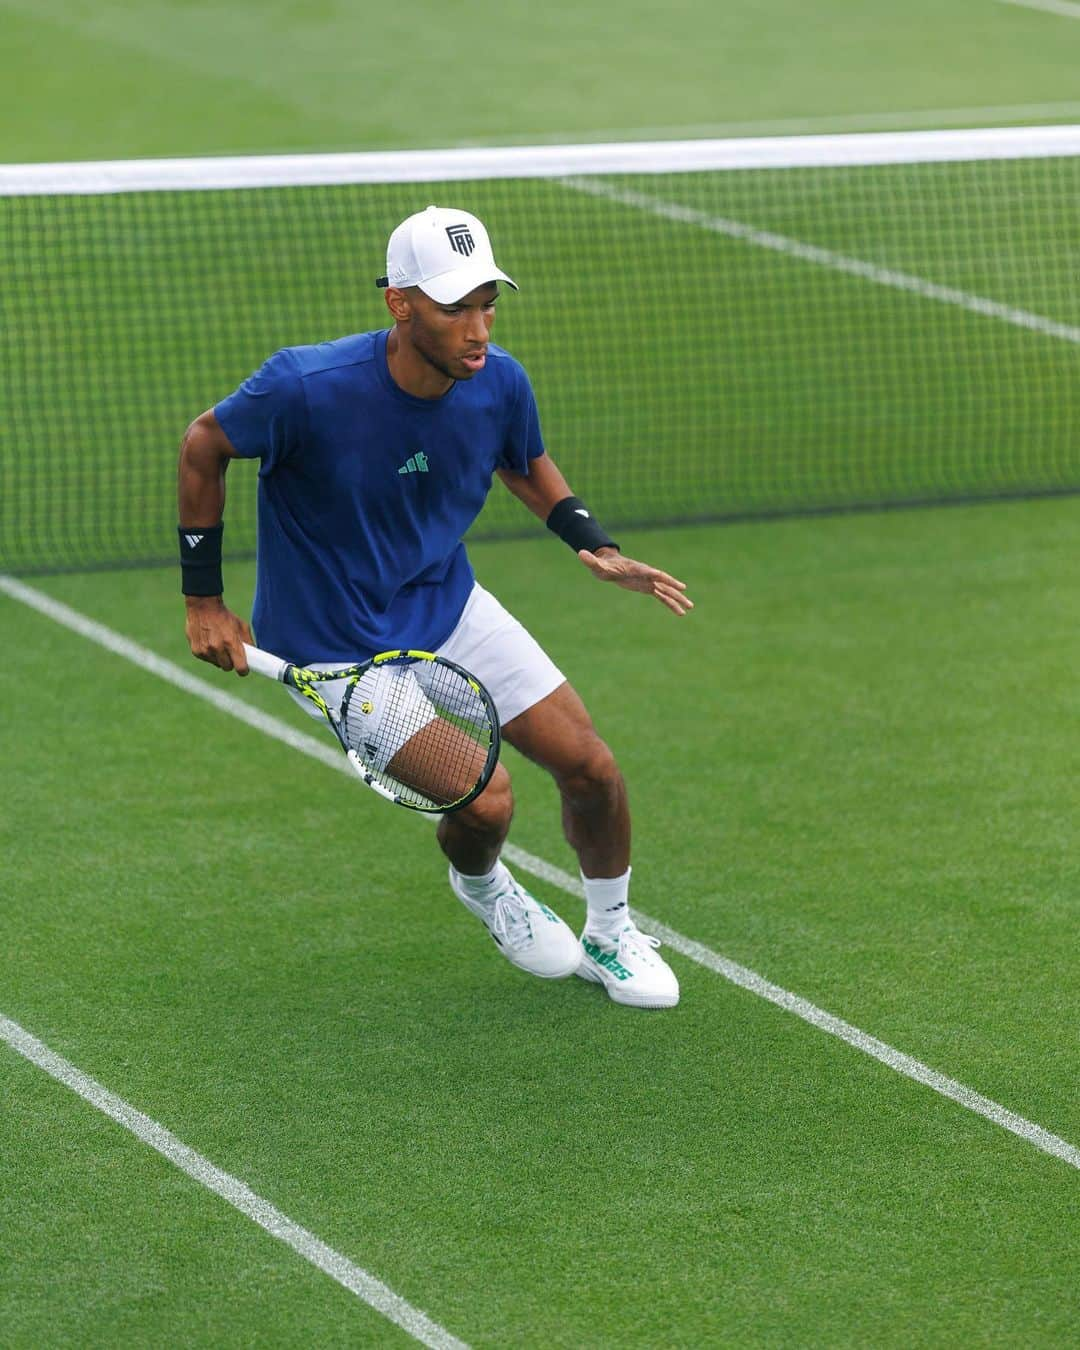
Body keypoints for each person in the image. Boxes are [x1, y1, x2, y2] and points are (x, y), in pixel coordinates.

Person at [178, 205, 693, 1009]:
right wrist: (203, 600)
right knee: (486, 804)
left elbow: (523, 461)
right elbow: (202, 445)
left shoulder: (499, 382)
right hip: (334, 646)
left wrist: (590, 541)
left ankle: (612, 931)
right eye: (456, 307)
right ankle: (485, 887)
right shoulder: (304, 389)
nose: (478, 328)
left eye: (488, 303)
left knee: (592, 769)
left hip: (446, 605)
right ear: (401, 304)